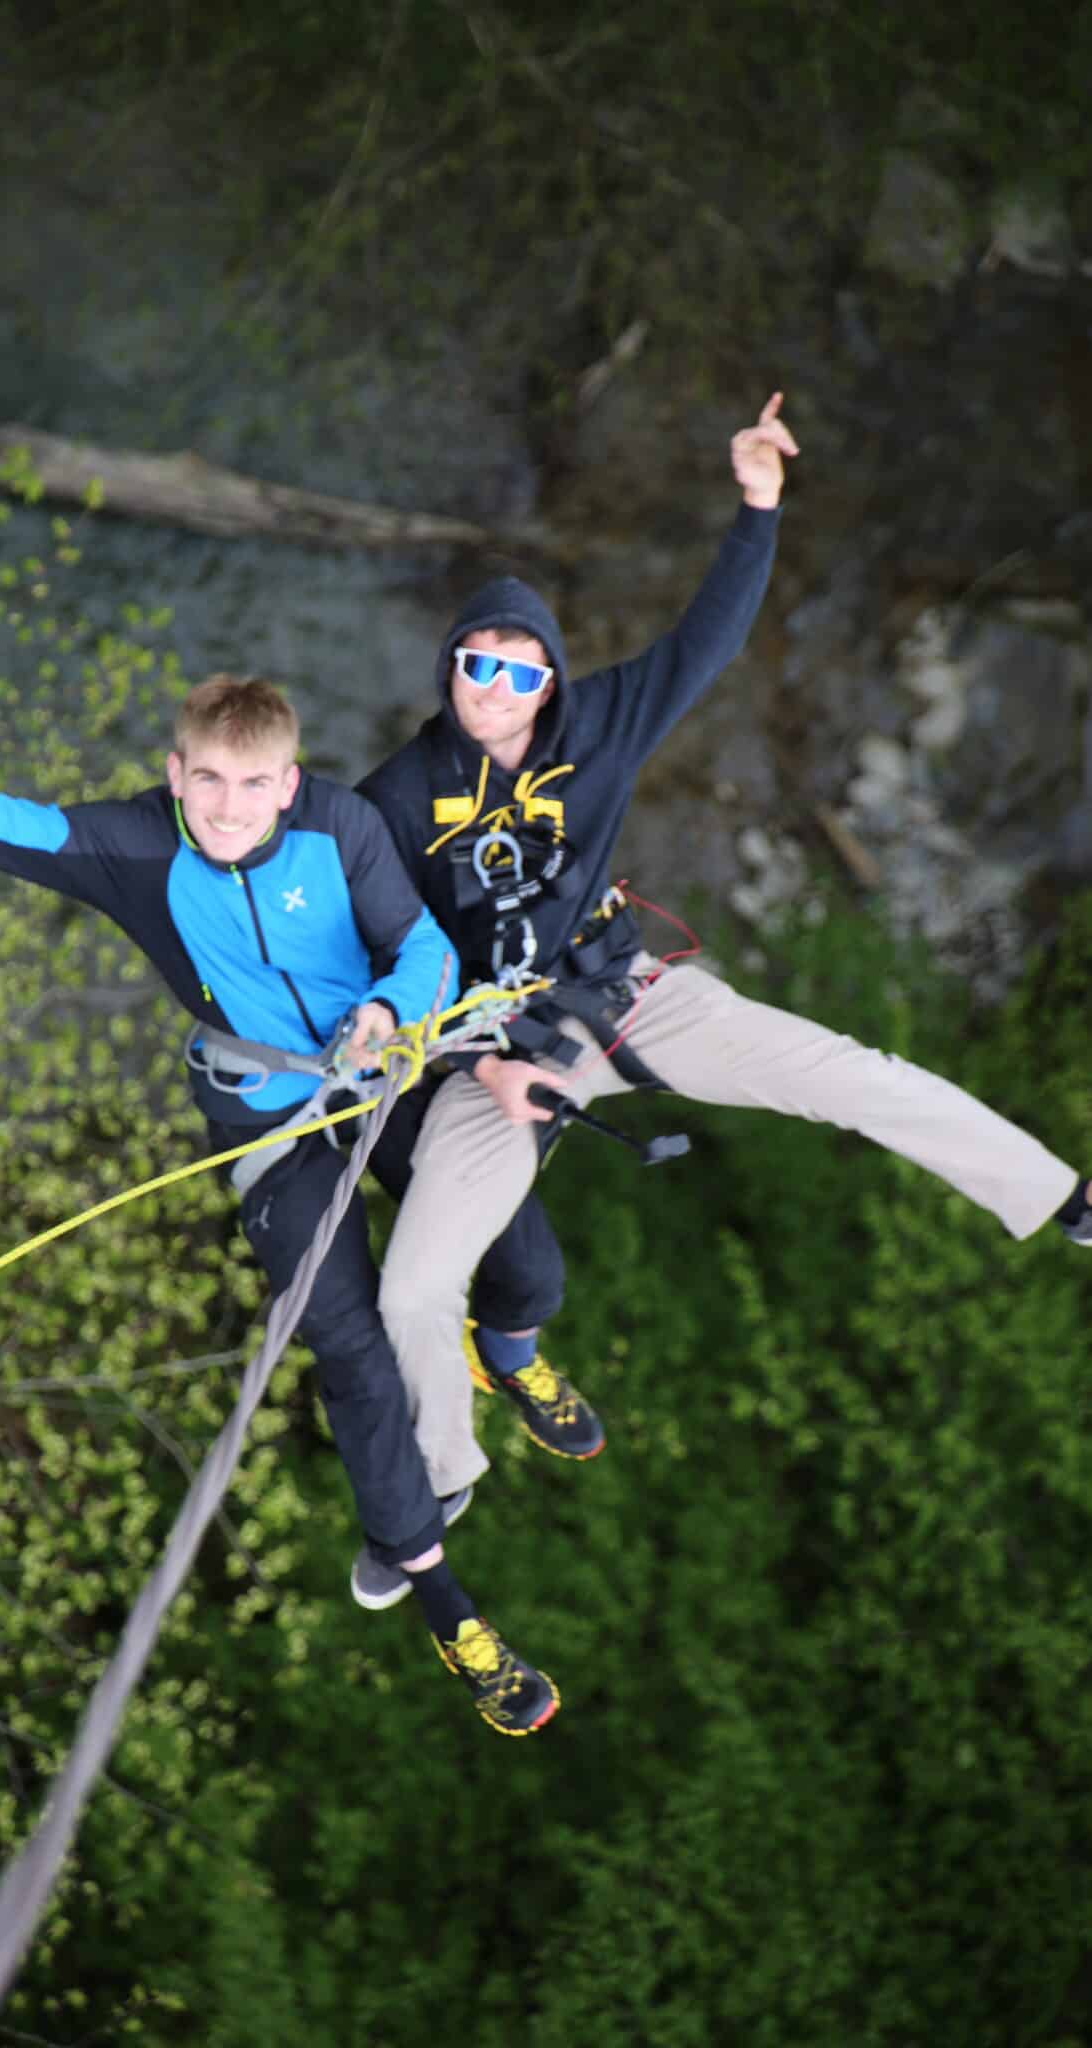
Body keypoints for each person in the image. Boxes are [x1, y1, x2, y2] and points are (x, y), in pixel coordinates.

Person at [0, 677, 560, 1736]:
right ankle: (446, 1602)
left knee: (522, 1253)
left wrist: (384, 1008)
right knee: (344, 1336)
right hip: (267, 1113)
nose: (228, 806)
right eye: (208, 780)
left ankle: (509, 1339)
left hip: (386, 1067)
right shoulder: (138, 845)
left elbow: (428, 953)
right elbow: (18, 827)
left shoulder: (342, 829)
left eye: (254, 783)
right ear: (175, 774)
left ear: (289, 780)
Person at [357, 394, 1092, 1524]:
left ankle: (1061, 1194)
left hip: (627, 1000)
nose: (494, 689)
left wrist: (757, 505)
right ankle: (442, 1488)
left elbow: (708, 639)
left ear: (548, 678)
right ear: (447, 670)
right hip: (498, 1064)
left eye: (518, 669)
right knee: (413, 1286)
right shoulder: (395, 801)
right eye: (475, 664)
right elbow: (359, 935)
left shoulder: (598, 725)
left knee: (855, 1075)